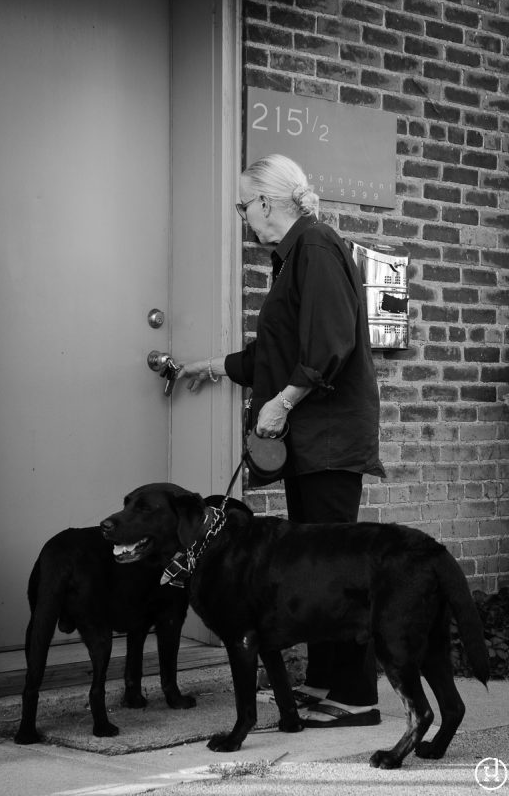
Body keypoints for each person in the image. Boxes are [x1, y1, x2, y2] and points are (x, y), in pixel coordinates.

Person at [177, 153, 385, 728]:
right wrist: (212, 366)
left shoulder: (315, 247)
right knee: (314, 565)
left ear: (269, 202)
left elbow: (329, 345)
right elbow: (277, 352)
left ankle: (357, 698)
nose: (243, 216)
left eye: (244, 205)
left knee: (337, 566)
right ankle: (323, 685)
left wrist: (282, 401)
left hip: (327, 440)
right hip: (309, 443)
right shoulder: (293, 256)